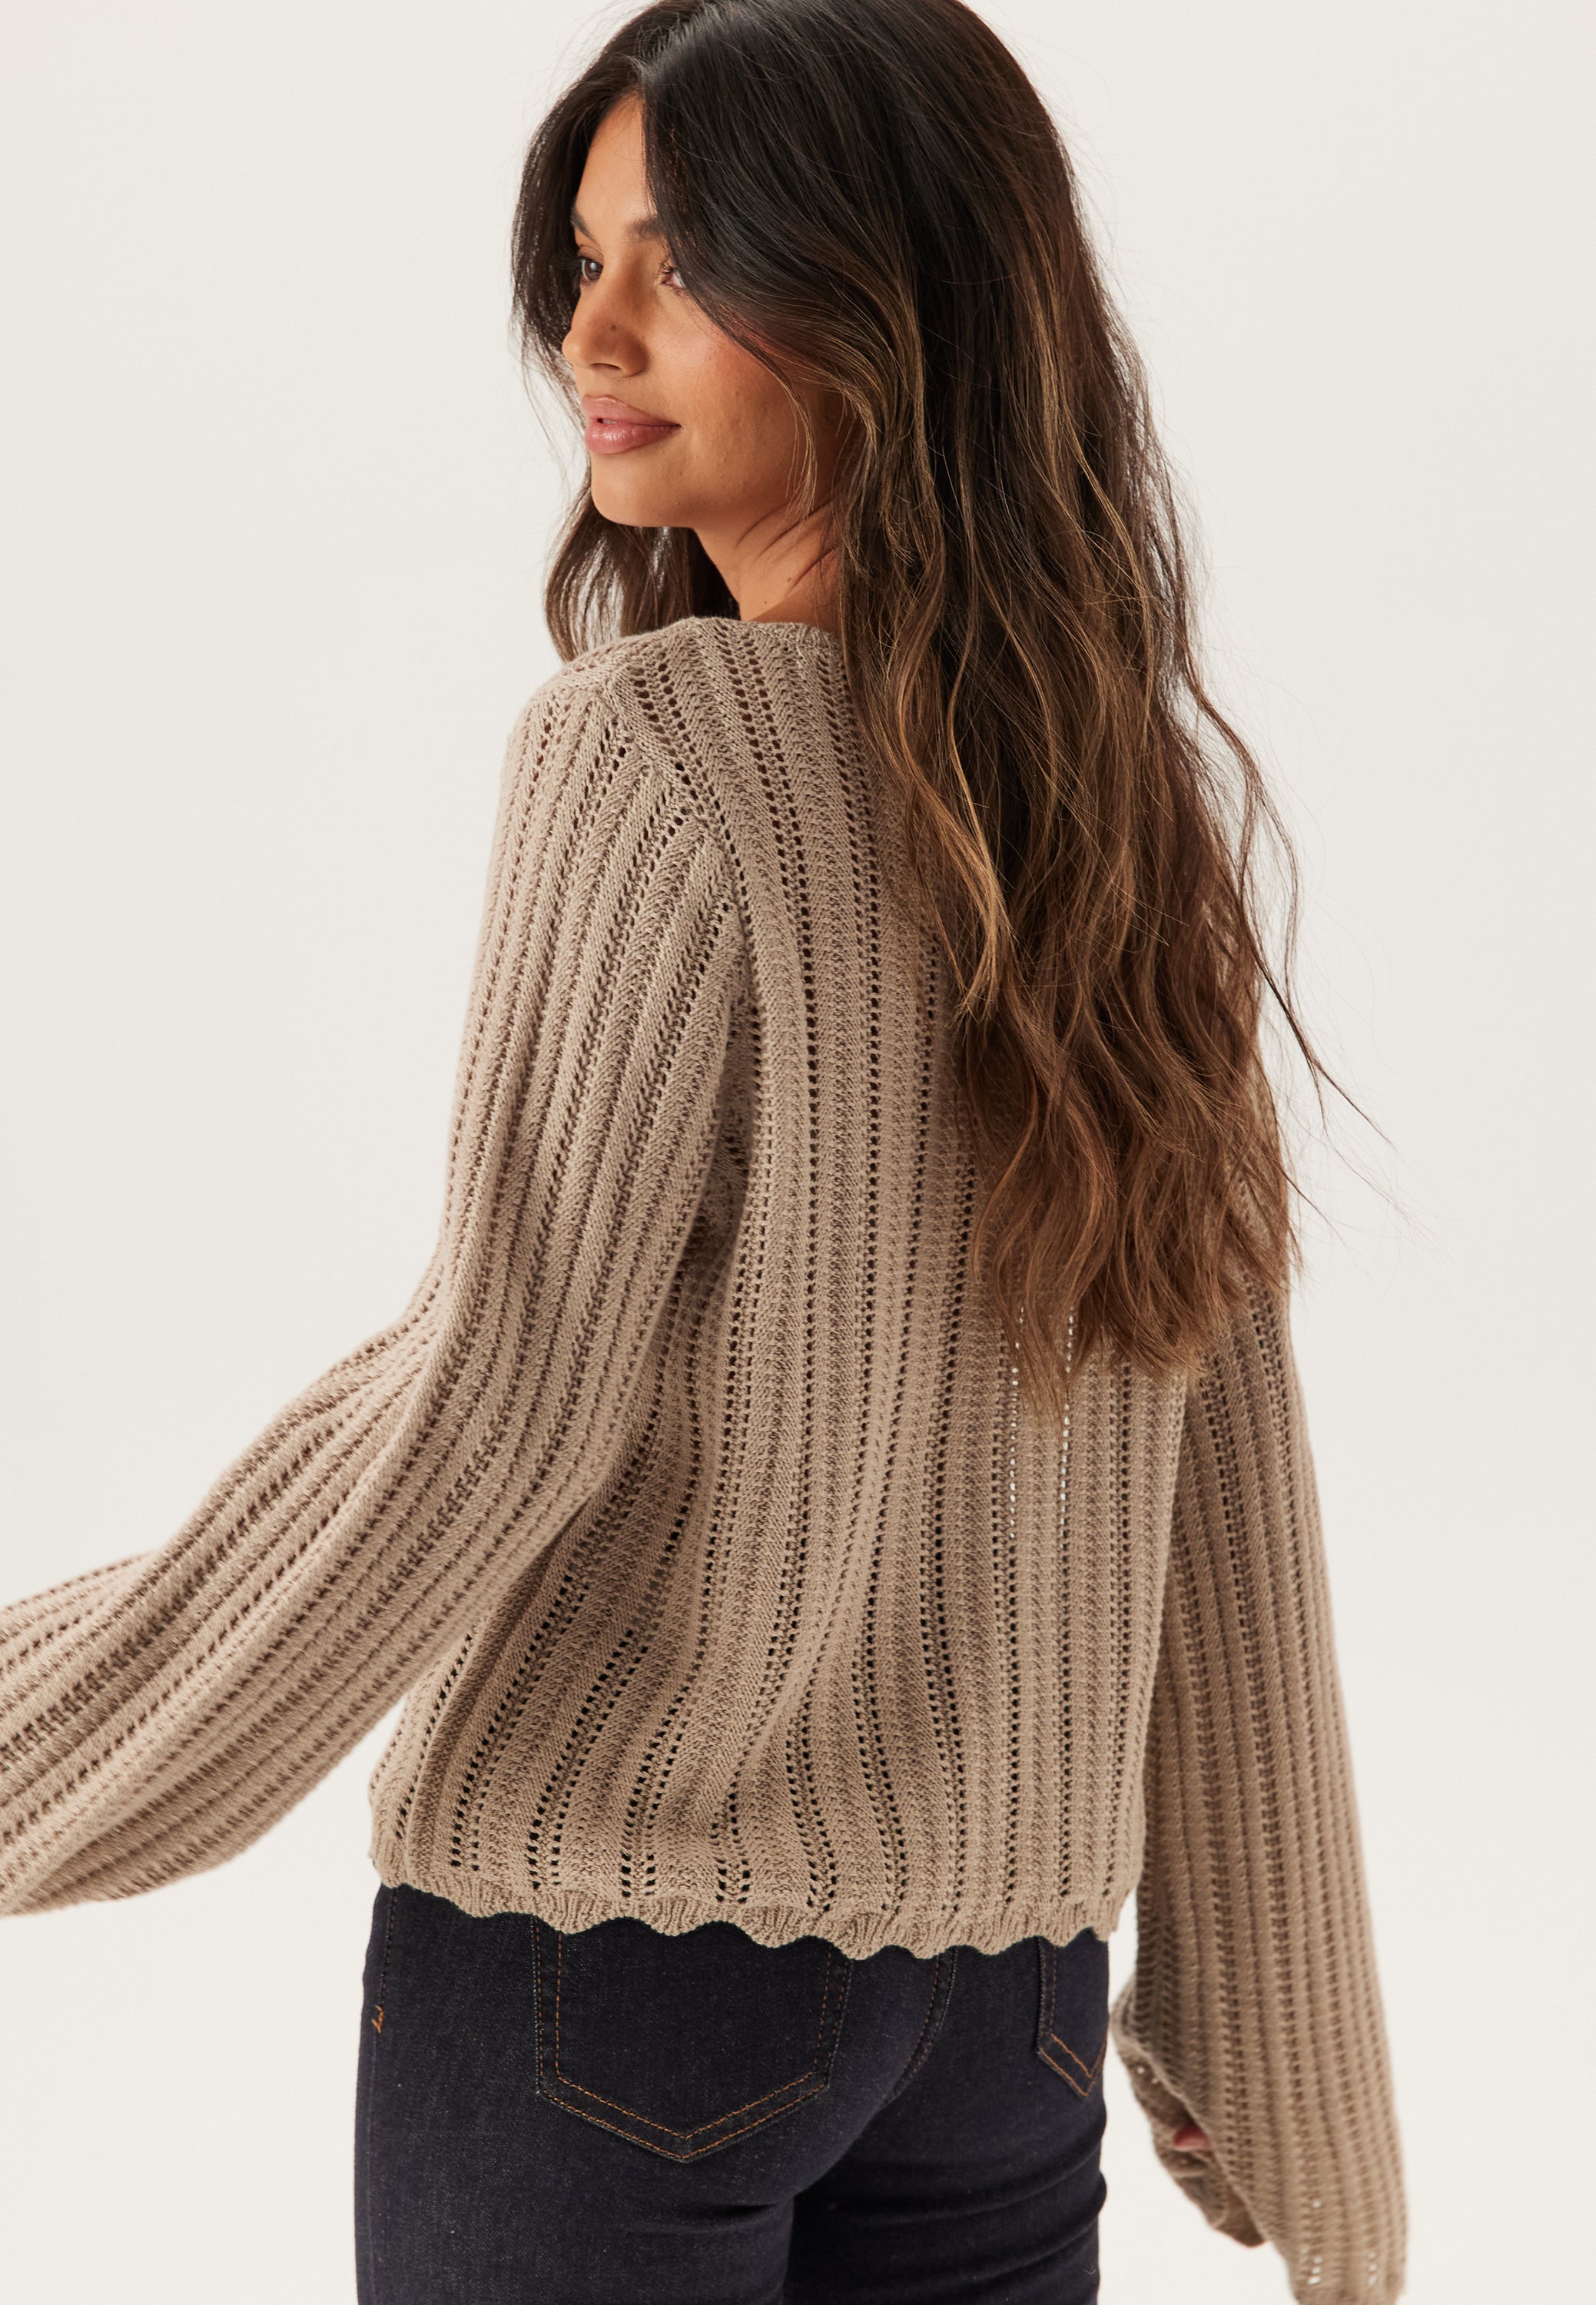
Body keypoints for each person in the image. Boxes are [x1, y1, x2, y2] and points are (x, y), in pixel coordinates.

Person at [0, 2, 1405, 2300]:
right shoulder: (1117, 805)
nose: (595, 330)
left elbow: (498, 1399)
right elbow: (1221, 1436)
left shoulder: (657, 754)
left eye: (687, 257)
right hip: (1012, 2020)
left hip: (617, 1976)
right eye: (585, 260)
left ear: (898, 302)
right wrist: (1292, 2050)